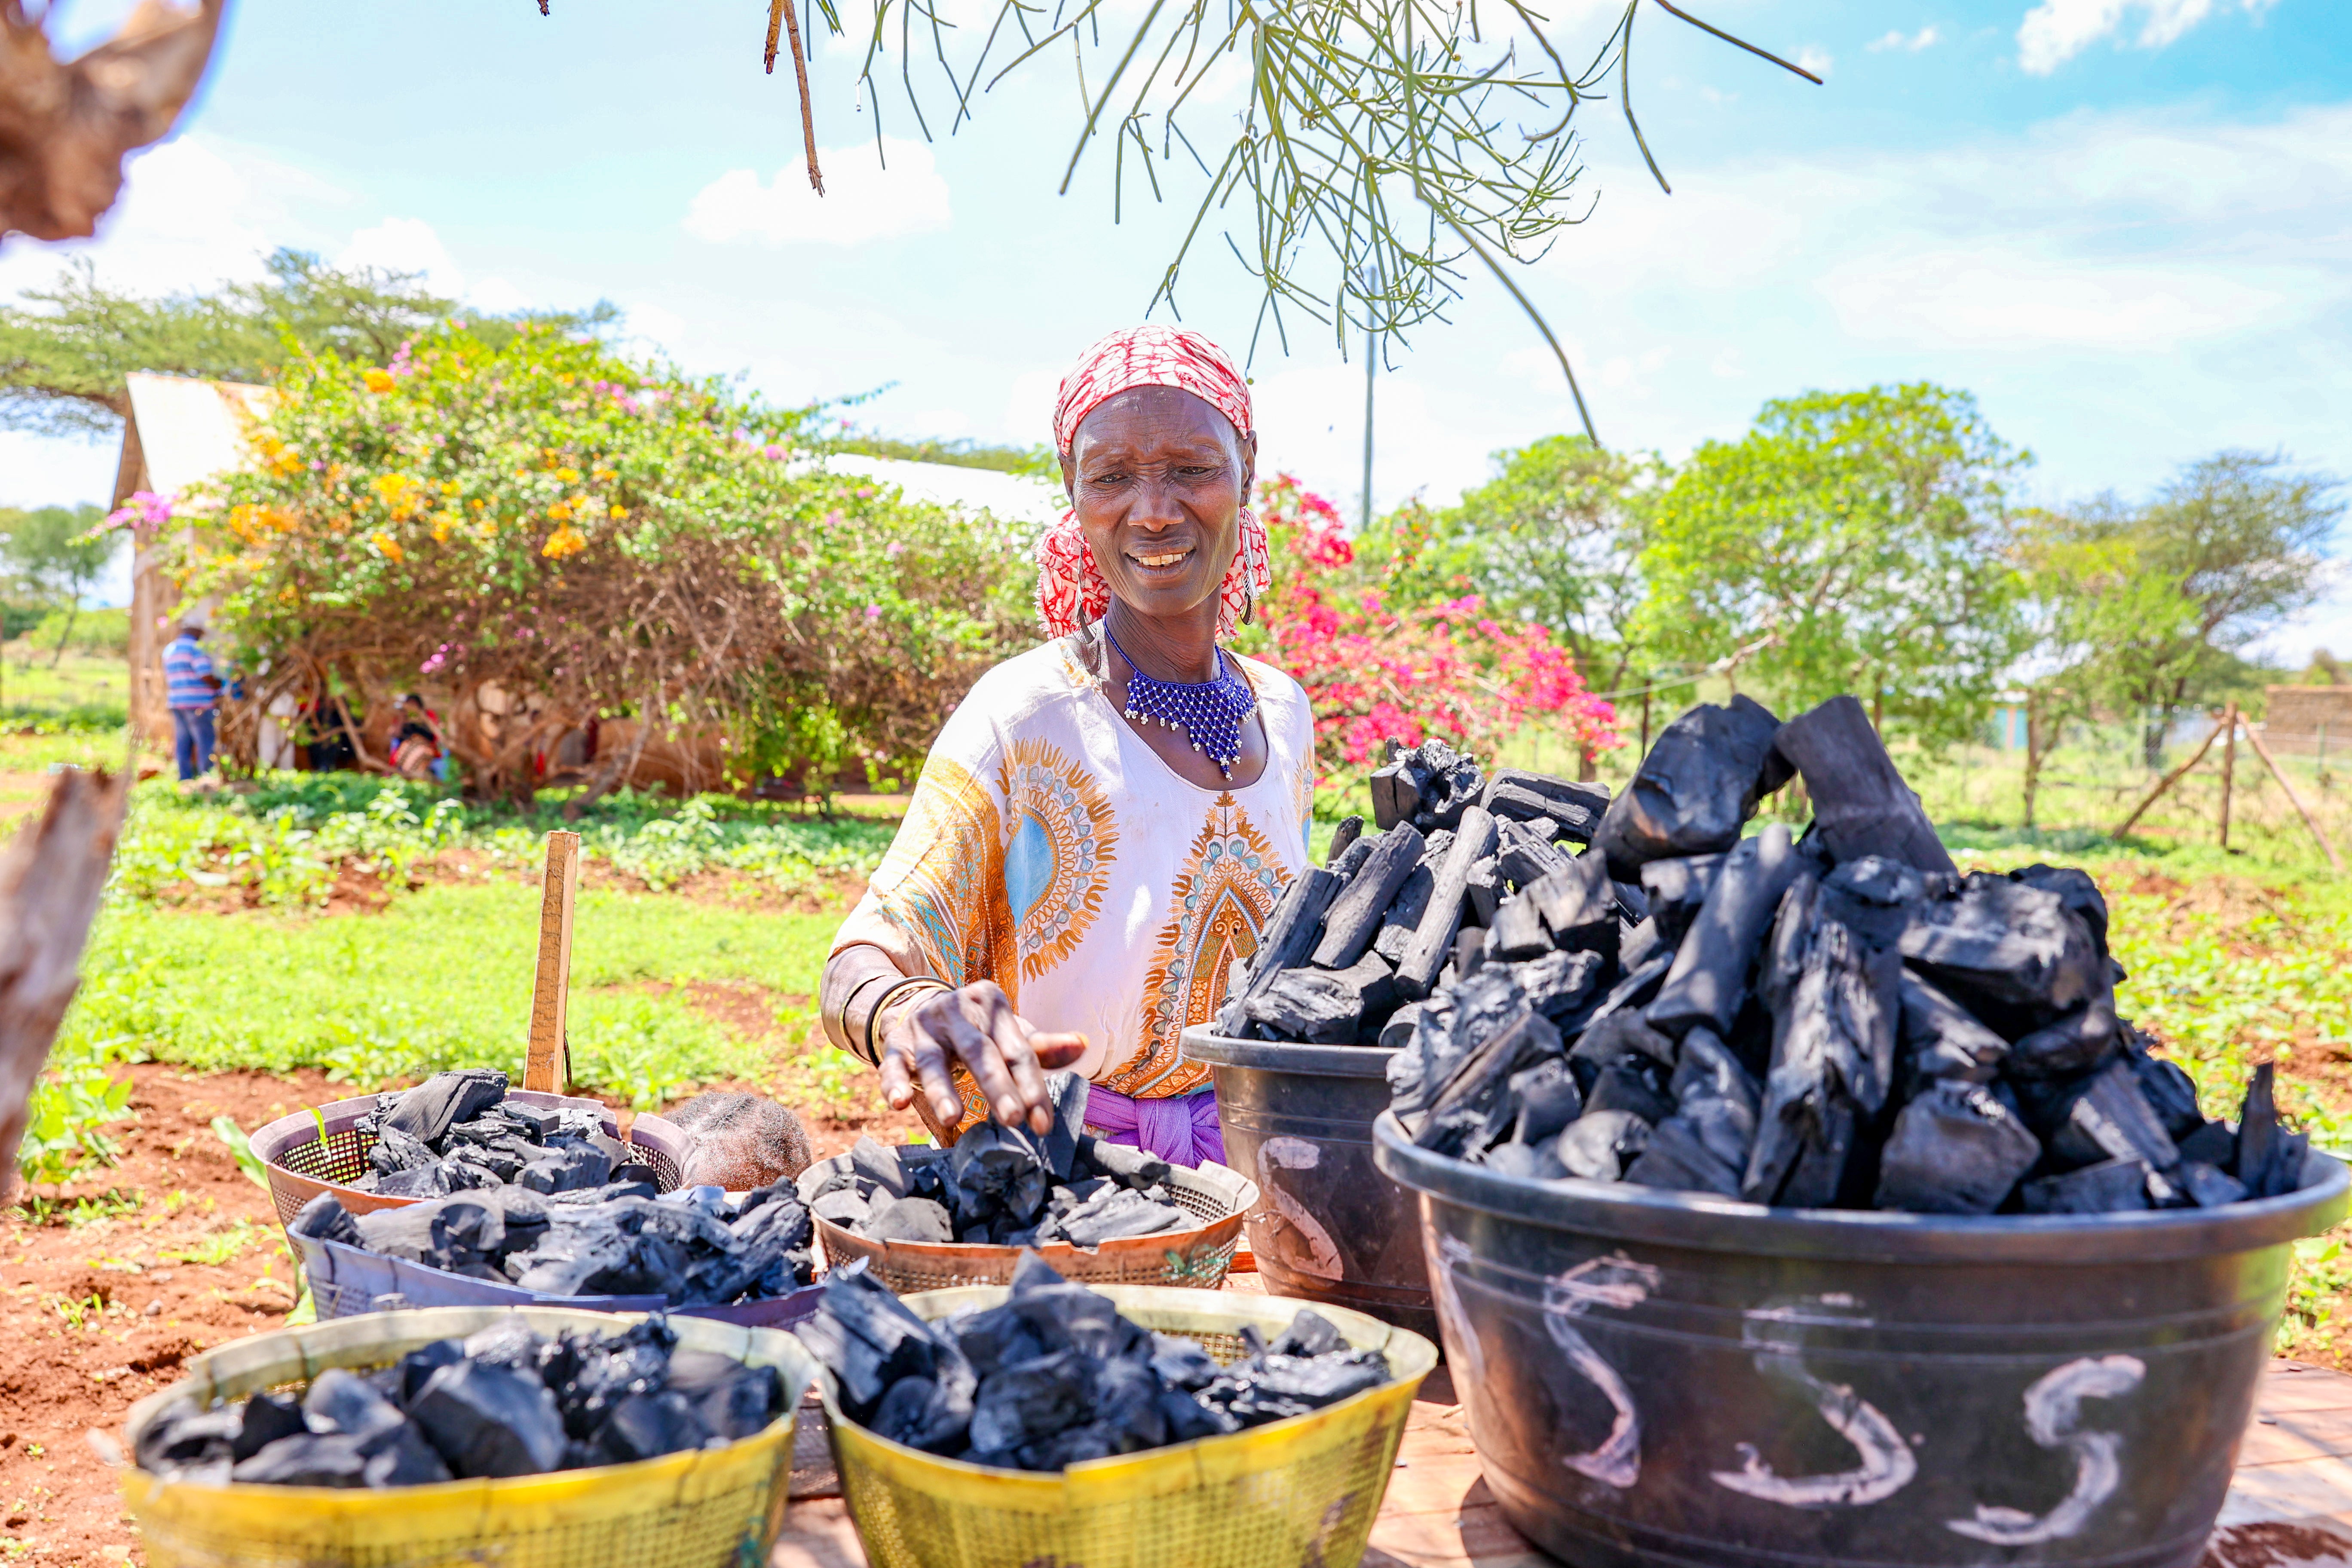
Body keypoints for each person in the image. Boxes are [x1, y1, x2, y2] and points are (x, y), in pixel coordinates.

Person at [819, 326, 1315, 1166]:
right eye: (1112, 477)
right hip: (1057, 1185)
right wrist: (907, 1009)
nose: (1154, 511)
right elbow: (860, 960)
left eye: (1192, 469)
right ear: (1072, 491)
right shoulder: (1027, 717)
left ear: (1247, 467)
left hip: (1249, 1188)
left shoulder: (1283, 711)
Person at [161, 621, 221, 780]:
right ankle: (206, 779)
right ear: (196, 633)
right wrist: (220, 685)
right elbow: (205, 674)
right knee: (205, 742)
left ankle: (185, 779)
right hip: (198, 703)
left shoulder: (170, 649)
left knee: (183, 742)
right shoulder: (196, 649)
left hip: (177, 701)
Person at [391, 692, 444, 781]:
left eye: (414, 704)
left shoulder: (428, 715)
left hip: (425, 746)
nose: (412, 706)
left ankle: (413, 777)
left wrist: (422, 717)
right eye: (410, 704)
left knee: (419, 753)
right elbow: (396, 734)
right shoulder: (402, 716)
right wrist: (402, 718)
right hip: (407, 746)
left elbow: (437, 733)